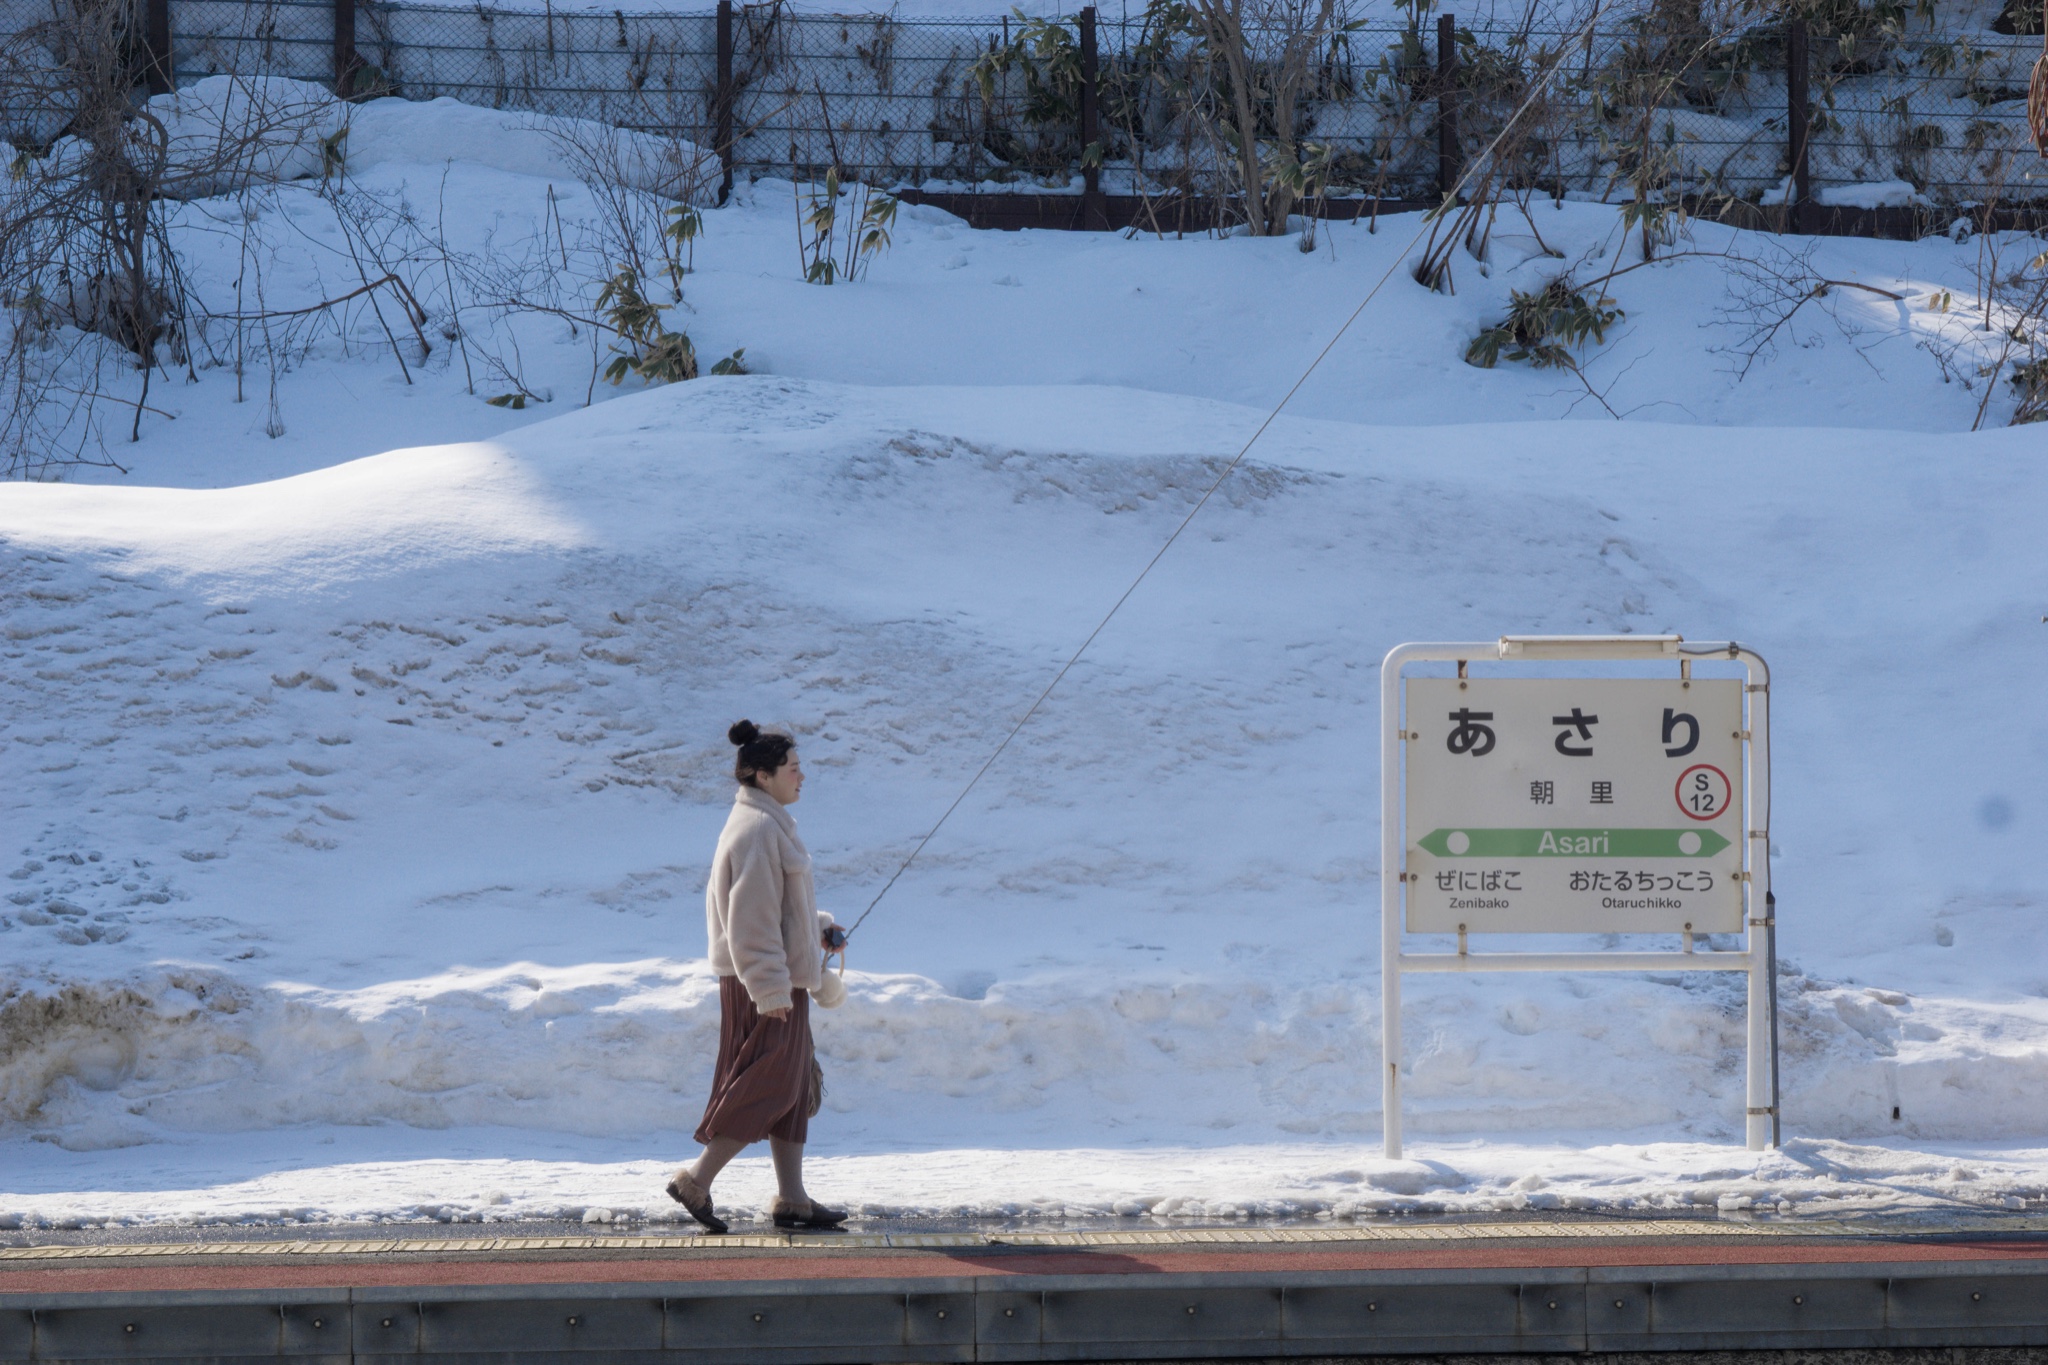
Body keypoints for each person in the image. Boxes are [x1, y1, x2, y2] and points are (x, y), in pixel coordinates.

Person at [666, 720, 848, 1233]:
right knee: (767, 1084)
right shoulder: (758, 830)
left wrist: (817, 930)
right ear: (763, 776)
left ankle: (792, 1198)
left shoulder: (767, 823)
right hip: (762, 985)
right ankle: (696, 1180)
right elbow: (748, 922)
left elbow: (773, 913)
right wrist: (769, 989)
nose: (802, 776)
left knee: (791, 1084)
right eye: (793, 769)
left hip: (775, 978)